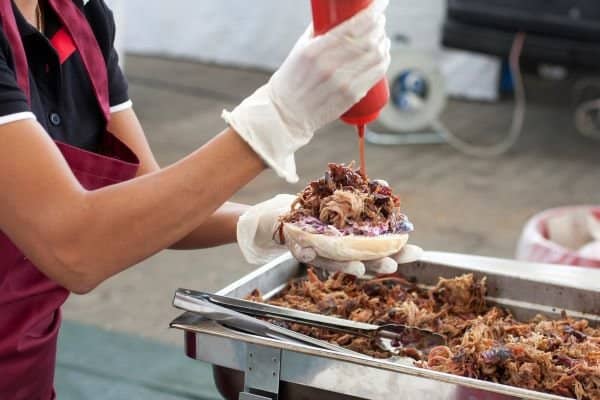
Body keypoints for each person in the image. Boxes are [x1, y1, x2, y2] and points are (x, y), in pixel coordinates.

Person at [0, 0, 393, 398]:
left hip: (27, 363)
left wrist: (273, 222)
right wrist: (277, 119)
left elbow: (147, 201)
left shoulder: (82, 18)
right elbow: (74, 248)